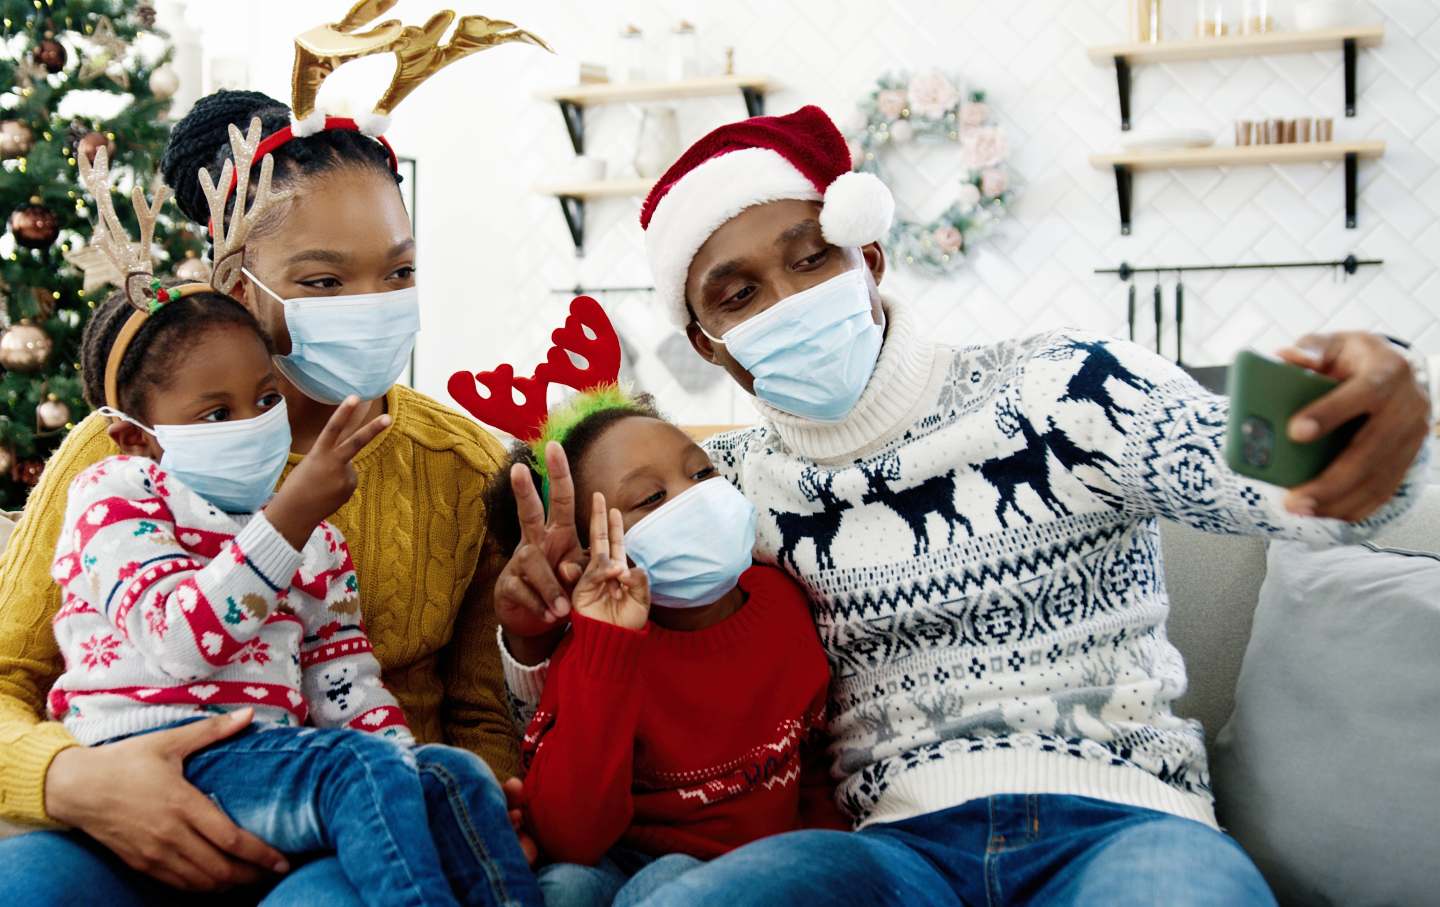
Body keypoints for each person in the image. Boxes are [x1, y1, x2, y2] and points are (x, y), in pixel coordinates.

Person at [493, 106, 1432, 906]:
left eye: (810, 258)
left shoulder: (1067, 384)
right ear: (710, 345)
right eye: (740, 294)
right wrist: (531, 638)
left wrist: (1367, 430)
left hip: (1127, 822)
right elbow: (605, 666)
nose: (786, 300)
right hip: (887, 853)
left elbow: (1268, 470)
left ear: (869, 255)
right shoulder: (714, 487)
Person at [0, 90, 516, 904]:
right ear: (240, 287)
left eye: (400, 270)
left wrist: (480, 796)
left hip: (346, 824)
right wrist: (72, 780)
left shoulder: (463, 466)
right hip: (120, 811)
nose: (373, 305)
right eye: (323, 279)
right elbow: (6, 672)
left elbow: (482, 715)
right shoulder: (122, 448)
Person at [47, 279, 538, 907]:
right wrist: (288, 518)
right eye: (217, 413)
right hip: (146, 759)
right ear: (137, 437)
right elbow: (179, 639)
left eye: (266, 399)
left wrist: (410, 774)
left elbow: (345, 688)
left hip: (270, 758)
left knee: (453, 775)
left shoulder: (316, 541)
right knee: (359, 770)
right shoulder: (117, 497)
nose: (251, 424)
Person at [480, 387, 843, 907]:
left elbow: (814, 765)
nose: (694, 498)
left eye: (700, 474)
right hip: (622, 864)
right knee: (565, 888)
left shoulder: (785, 600)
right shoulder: (595, 649)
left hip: (763, 870)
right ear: (583, 553)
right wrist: (608, 647)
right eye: (650, 498)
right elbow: (569, 839)